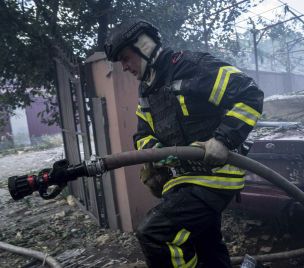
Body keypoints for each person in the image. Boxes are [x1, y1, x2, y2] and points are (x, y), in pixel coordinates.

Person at [104, 19, 264, 267]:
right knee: (206, 246)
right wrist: (155, 151)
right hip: (181, 180)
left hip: (214, 176)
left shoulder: (193, 67)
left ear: (143, 47)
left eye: (125, 58)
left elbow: (249, 93)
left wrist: (222, 139)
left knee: (156, 234)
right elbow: (141, 134)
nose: (124, 67)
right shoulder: (147, 90)